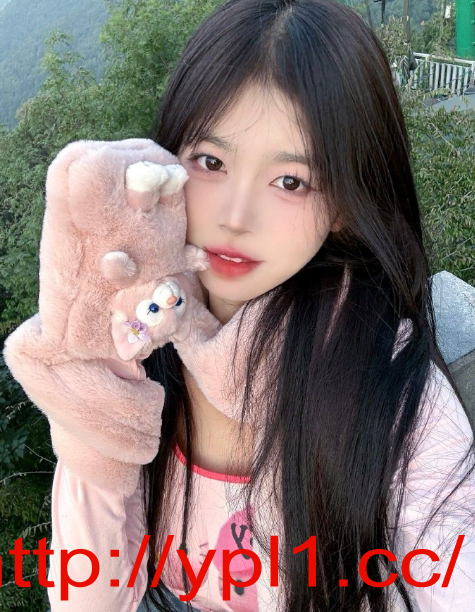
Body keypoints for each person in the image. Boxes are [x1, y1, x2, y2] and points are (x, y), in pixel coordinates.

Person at [13, 0, 475, 611]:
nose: (235, 216)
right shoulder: (145, 346)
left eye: (290, 181)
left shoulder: (390, 395)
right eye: (211, 162)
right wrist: (95, 381)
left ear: (344, 203)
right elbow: (92, 596)